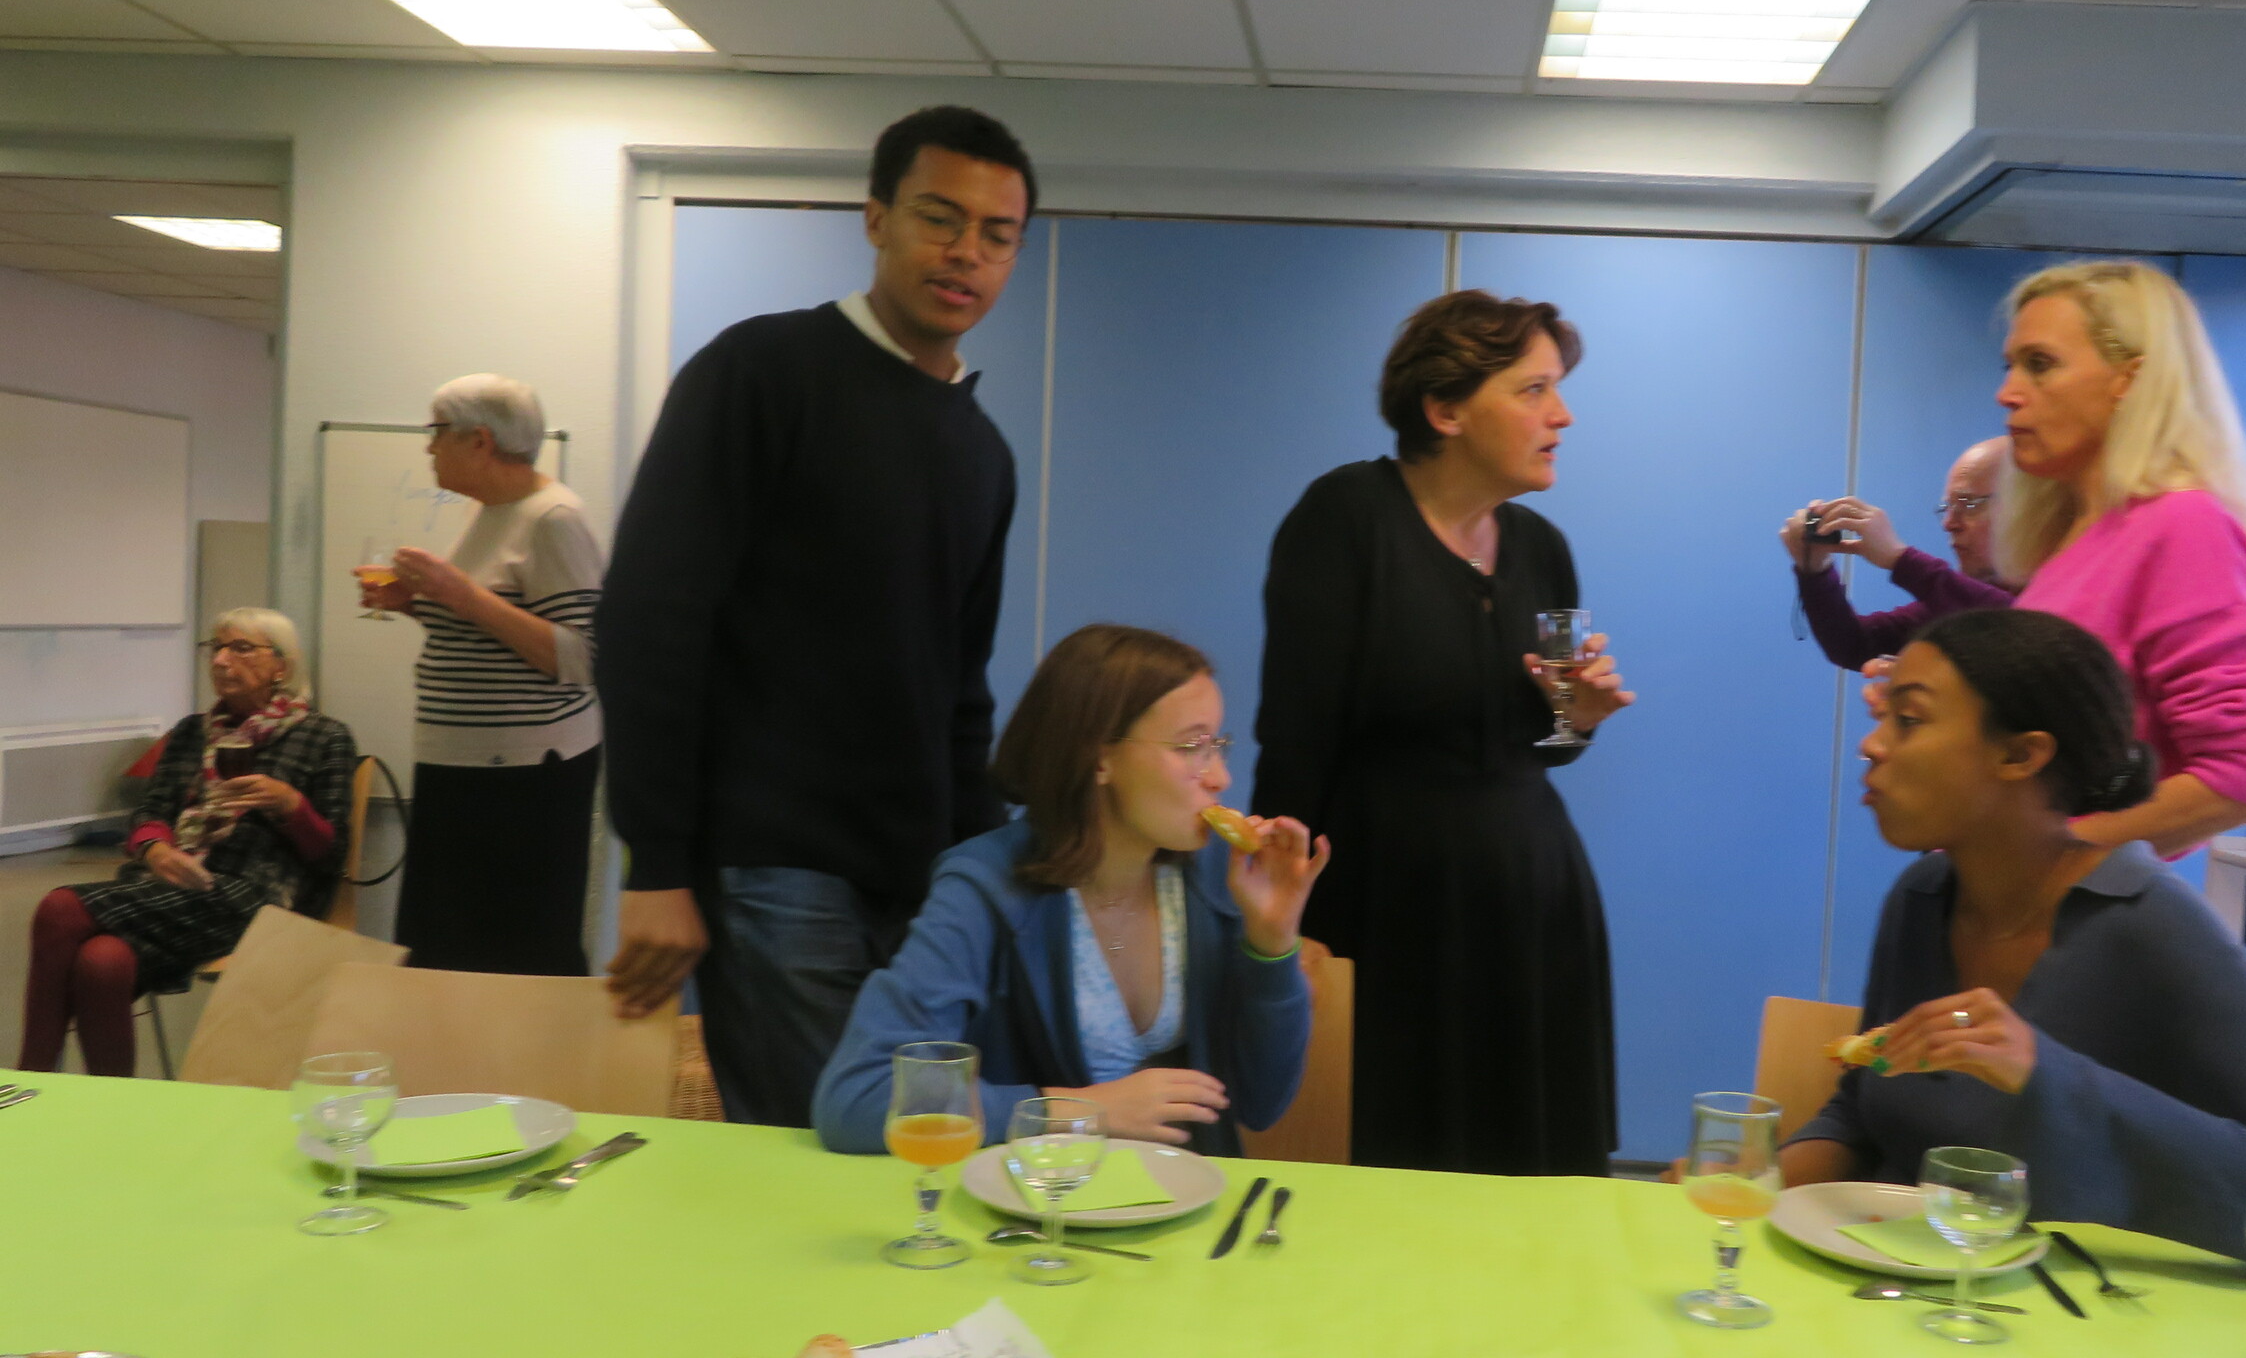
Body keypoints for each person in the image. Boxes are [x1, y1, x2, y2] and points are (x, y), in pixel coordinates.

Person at [596, 105, 1032, 1125]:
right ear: (876, 218)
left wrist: (987, 878)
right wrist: (657, 865)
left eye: (996, 234)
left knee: (916, 1149)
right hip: (774, 871)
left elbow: (960, 692)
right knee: (825, 1153)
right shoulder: (761, 372)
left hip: (919, 884)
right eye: (939, 218)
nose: (966, 252)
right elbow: (650, 623)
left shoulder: (982, 451)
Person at [1784, 608, 2246, 1288]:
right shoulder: (1922, 897)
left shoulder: (2149, 925)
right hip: (1902, 1297)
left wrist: (2048, 1076)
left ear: (2021, 755)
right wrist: (1751, 1181)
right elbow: (1867, 1107)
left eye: (1908, 720)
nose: (1873, 745)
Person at [1253, 290, 1634, 1176]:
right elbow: (1295, 738)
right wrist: (1276, 919)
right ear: (1445, 409)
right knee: (1396, 1167)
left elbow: (1547, 745)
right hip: (1389, 908)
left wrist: (1578, 720)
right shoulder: (1344, 518)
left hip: (1536, 904)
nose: (1563, 415)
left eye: (1559, 390)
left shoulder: (1544, 547)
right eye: (1534, 390)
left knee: (1536, 1175)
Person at [815, 625, 1324, 1154]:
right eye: (1192, 747)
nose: (1220, 777)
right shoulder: (984, 887)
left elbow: (1261, 1104)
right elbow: (856, 1098)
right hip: (1035, 1194)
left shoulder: (1217, 873)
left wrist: (1272, 943)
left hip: (1188, 1195)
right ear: (1099, 757)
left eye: (1218, 745)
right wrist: (1077, 1110)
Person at [1993, 259, 2246, 858]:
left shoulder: (2183, 526)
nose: (2008, 393)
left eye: (2041, 364)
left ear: (2129, 379)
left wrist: (2043, 860)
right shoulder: (2078, 538)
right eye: (2010, 366)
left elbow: (2244, 776)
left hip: (2063, 904)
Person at [18, 611, 354, 1077]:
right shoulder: (192, 732)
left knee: (60, 908)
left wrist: (290, 804)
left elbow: (330, 854)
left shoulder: (324, 736)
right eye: (215, 648)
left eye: (240, 648)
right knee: (102, 962)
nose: (220, 660)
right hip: (176, 888)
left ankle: (30, 1077)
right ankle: (112, 1103)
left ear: (281, 666)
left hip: (261, 899)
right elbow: (150, 812)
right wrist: (155, 849)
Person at [360, 374, 604, 975]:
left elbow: (584, 657)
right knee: (444, 956)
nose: (428, 446)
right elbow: (489, 632)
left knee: (512, 962)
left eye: (436, 431)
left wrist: (462, 595)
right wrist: (419, 606)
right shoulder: (492, 512)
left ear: (480, 441)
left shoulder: (553, 518)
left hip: (523, 781)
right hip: (464, 766)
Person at [1784, 437, 2012, 672]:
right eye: (1948, 508)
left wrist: (1900, 558)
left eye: (1968, 504)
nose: (1949, 523)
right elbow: (1854, 645)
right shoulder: (1958, 602)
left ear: (2025, 507)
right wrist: (1816, 569)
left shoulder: (2031, 604)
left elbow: (2017, 624)